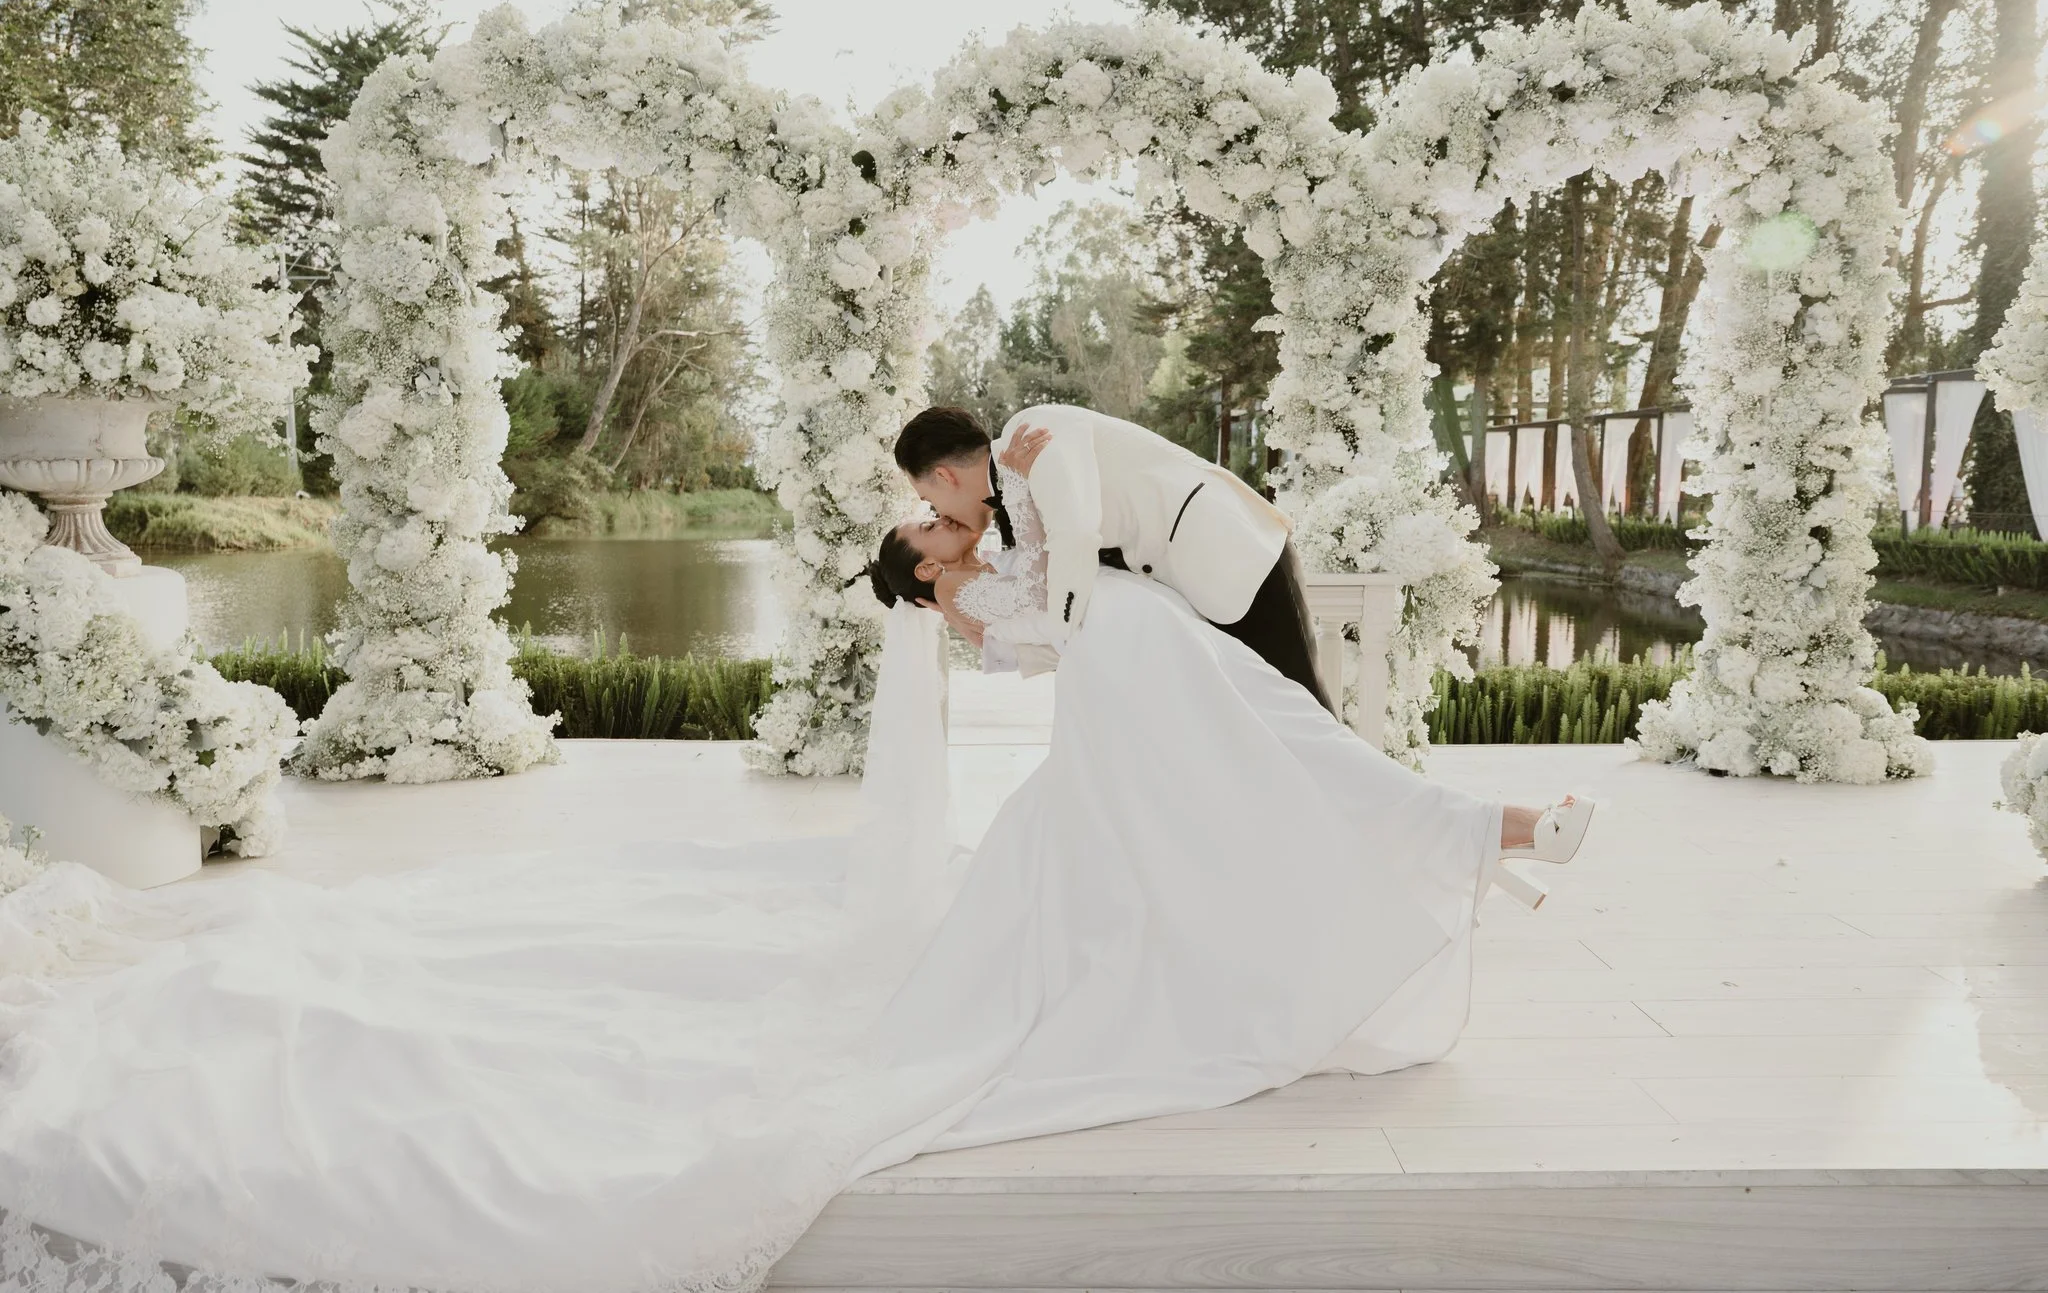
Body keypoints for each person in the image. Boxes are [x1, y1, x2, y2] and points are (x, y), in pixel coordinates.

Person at [0, 453, 1596, 1293]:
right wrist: (1028, 586)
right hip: (1136, 693)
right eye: (926, 550)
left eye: (939, 532)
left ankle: (1465, 839)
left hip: (1150, 680)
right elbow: (1046, 622)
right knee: (1238, 777)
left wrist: (1069, 557)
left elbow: (1076, 571)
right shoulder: (976, 605)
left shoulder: (1023, 560)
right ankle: (1470, 840)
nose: (943, 543)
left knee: (1255, 767)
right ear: (916, 578)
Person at [894, 403, 1336, 712]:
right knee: (1260, 723)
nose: (939, 514)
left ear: (943, 475)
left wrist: (1074, 642)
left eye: (928, 499)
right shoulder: (1016, 481)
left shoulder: (1030, 431)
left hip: (1235, 558)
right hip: (1204, 587)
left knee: (1303, 714)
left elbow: (1075, 534)